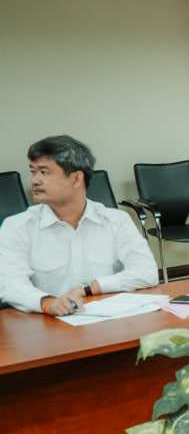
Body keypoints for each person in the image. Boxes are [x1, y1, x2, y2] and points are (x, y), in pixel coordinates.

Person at [0, 135, 157, 315]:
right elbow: (9, 284)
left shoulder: (116, 221)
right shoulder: (17, 227)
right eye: (33, 172)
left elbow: (147, 272)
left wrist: (89, 288)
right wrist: (47, 303)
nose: (35, 181)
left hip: (109, 320)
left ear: (76, 179)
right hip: (47, 322)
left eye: (44, 172)